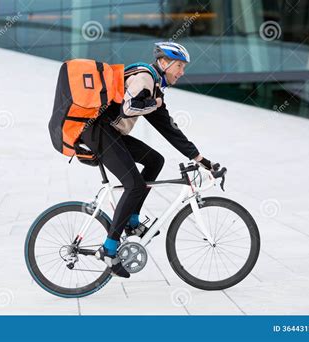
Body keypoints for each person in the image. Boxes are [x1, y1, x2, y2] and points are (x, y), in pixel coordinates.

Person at [80, 42, 215, 278]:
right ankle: (109, 250)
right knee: (135, 185)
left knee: (155, 160)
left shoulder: (154, 89)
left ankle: (132, 220)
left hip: (111, 133)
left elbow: (170, 130)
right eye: (179, 66)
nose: (182, 72)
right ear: (164, 63)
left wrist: (202, 159)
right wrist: (155, 104)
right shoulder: (145, 77)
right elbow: (129, 108)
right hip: (98, 132)